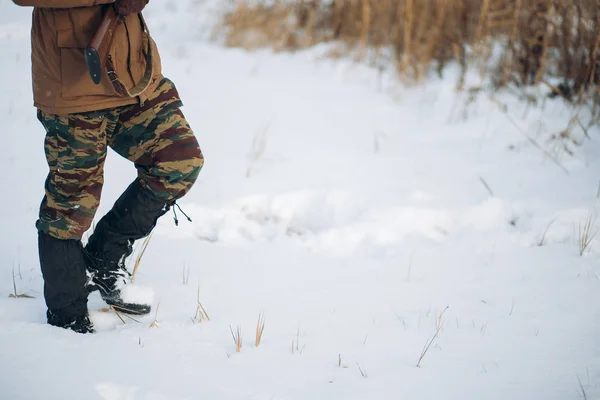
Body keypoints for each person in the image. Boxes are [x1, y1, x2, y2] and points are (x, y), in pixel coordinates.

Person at [12, 0, 204, 333]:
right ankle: (67, 317)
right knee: (71, 203)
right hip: (73, 83)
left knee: (178, 160)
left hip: (134, 76)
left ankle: (104, 257)